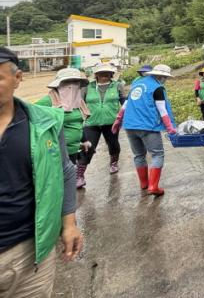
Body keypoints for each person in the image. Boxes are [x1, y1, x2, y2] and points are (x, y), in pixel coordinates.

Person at [0, 47, 83, 296]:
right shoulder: (49, 100)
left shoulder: (44, 120)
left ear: (18, 78)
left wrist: (69, 223)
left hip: (29, 252)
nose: (71, 87)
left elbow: (64, 170)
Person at [112, 64, 177, 196]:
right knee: (157, 154)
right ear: (161, 76)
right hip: (147, 126)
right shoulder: (157, 88)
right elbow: (162, 110)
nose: (165, 80)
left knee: (139, 155)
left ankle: (144, 184)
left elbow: (125, 105)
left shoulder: (137, 84)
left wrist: (118, 120)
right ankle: (153, 186)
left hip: (130, 125)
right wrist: (170, 128)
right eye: (165, 78)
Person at [77, 63, 126, 188]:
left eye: (107, 73)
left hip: (111, 122)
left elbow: (124, 102)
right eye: (101, 73)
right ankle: (80, 175)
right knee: (87, 147)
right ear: (96, 74)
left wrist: (125, 117)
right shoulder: (87, 87)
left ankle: (113, 162)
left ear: (111, 74)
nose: (104, 75)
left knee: (113, 144)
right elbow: (79, 103)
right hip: (91, 122)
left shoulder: (117, 85)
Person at [35, 67, 90, 165]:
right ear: (58, 85)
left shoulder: (78, 101)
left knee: (71, 172)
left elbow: (79, 123)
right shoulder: (49, 101)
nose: (72, 85)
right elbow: (31, 120)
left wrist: (84, 140)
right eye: (67, 82)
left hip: (73, 150)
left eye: (75, 82)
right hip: (54, 152)